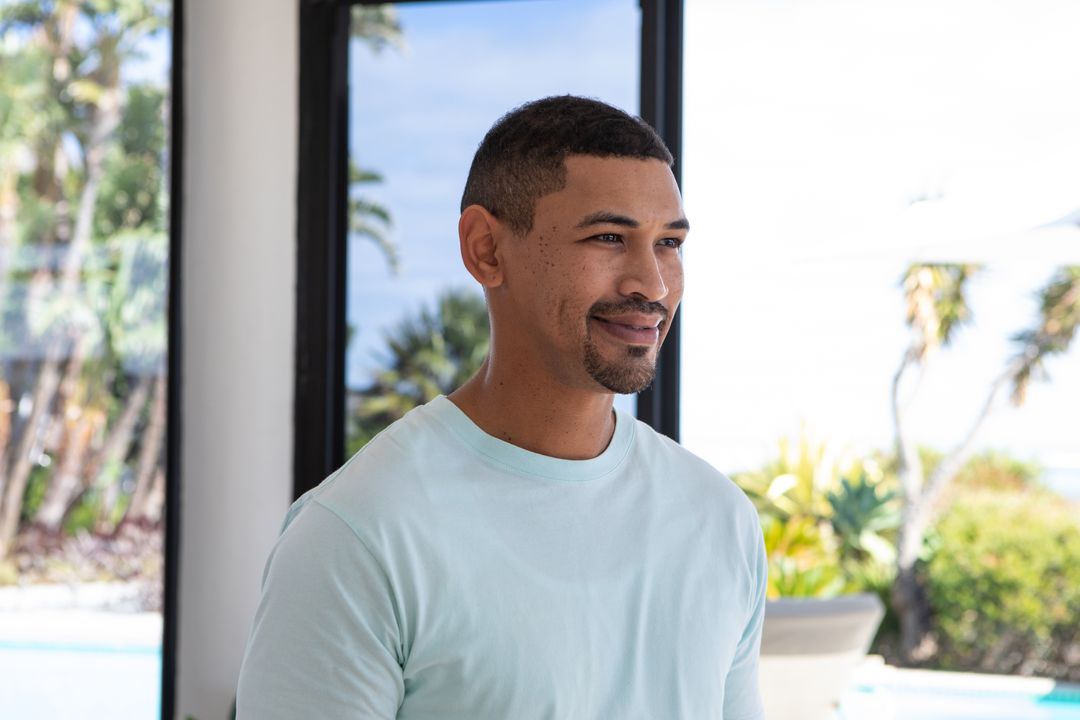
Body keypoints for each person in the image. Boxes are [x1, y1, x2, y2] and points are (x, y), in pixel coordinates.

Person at [236, 95, 767, 719]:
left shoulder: (719, 520)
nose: (650, 283)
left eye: (669, 243)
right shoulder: (358, 535)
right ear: (485, 249)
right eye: (608, 237)